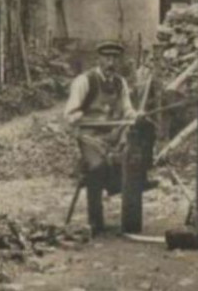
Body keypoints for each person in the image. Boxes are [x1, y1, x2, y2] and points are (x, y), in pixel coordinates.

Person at [65, 39, 153, 232]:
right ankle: (95, 221)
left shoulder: (120, 83)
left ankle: (141, 179)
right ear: (98, 59)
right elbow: (70, 115)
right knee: (97, 167)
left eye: (115, 58)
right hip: (90, 136)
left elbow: (127, 110)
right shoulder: (84, 81)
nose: (111, 63)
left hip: (114, 134)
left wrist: (136, 115)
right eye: (106, 58)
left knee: (138, 145)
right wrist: (80, 116)